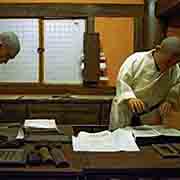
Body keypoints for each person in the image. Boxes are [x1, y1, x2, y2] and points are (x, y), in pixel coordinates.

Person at [109, 36, 180, 130]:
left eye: (175, 63)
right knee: (123, 139)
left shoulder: (174, 69)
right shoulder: (136, 59)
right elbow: (122, 80)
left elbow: (176, 85)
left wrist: (169, 100)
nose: (170, 66)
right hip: (126, 108)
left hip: (150, 112)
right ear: (158, 49)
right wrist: (130, 97)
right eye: (168, 62)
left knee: (147, 140)